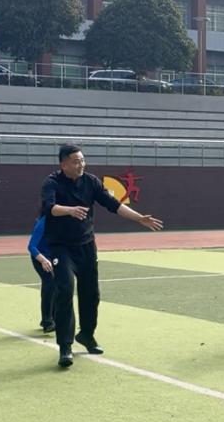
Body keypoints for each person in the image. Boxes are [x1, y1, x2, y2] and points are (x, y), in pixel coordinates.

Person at [42, 144, 164, 367]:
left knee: (91, 294)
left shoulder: (92, 182)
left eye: (82, 160)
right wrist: (69, 210)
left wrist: (139, 218)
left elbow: (114, 205)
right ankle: (65, 346)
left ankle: (87, 335)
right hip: (61, 247)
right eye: (75, 161)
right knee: (65, 290)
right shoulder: (52, 182)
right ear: (63, 164)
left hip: (87, 246)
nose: (81, 164)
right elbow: (50, 208)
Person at [26, 213, 57, 334]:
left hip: (53, 255)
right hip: (39, 257)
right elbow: (31, 246)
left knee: (58, 285)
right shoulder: (43, 222)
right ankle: (47, 321)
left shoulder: (63, 222)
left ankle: (54, 318)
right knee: (49, 282)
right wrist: (43, 260)